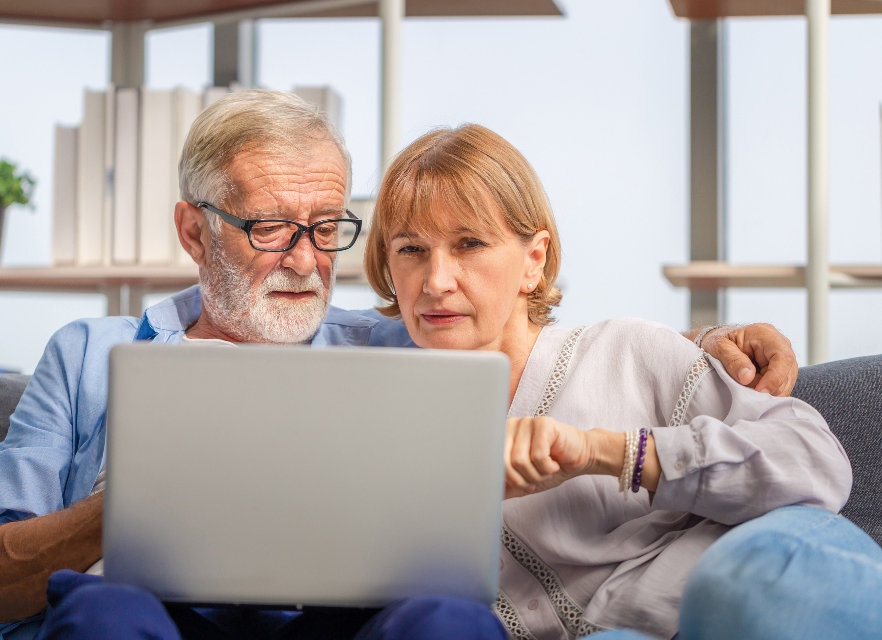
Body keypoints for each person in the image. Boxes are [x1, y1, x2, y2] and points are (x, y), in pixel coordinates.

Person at [0, 90, 801, 640]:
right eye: (271, 227)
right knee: (102, 613)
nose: (305, 259)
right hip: (144, 616)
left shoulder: (397, 347)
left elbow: (527, 338)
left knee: (448, 620)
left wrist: (709, 349)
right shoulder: (88, 355)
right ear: (192, 230)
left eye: (327, 228)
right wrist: (133, 505)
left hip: (344, 627)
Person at [362, 123, 881, 639]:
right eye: (411, 250)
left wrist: (604, 452)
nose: (435, 281)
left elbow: (814, 461)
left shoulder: (625, 352)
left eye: (469, 244)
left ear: (533, 261)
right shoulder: (386, 425)